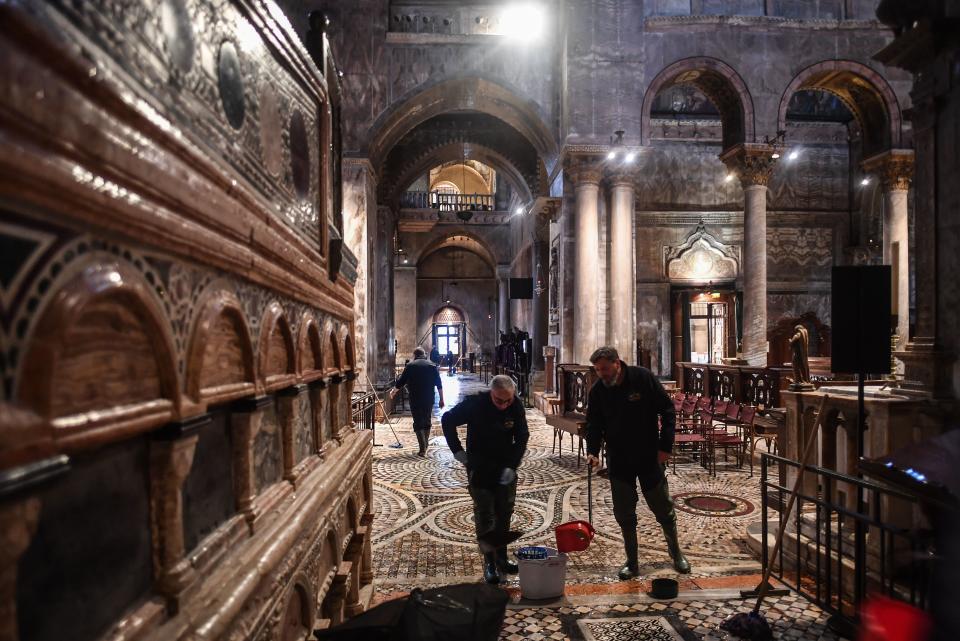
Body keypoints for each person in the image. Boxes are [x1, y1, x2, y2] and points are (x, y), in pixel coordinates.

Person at [584, 346, 690, 579]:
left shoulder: (642, 378)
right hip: (619, 460)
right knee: (624, 513)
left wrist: (666, 447)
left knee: (662, 507)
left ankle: (677, 554)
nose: (601, 374)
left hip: (649, 456)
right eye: (597, 370)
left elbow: (667, 410)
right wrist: (592, 451)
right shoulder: (598, 391)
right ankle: (632, 562)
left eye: (604, 369)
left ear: (617, 363)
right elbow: (594, 425)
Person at [442, 375, 529, 584]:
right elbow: (447, 420)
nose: (504, 405)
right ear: (492, 392)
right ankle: (489, 562)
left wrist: (512, 465)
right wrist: (457, 451)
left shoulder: (515, 405)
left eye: (507, 400)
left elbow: (522, 435)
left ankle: (501, 558)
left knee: (504, 514)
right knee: (485, 516)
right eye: (499, 400)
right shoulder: (475, 404)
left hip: (505, 469)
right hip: (480, 468)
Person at [390, 348, 444, 456]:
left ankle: (422, 448)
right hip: (429, 398)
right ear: (424, 355)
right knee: (427, 419)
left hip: (415, 398)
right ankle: (425, 445)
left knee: (418, 420)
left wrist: (393, 391)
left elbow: (401, 381)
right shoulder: (432, 366)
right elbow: (439, 384)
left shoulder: (410, 366)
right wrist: (442, 399)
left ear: (414, 355)